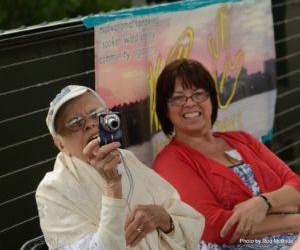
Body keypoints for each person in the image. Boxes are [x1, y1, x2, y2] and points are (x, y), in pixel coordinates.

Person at [152, 58, 300, 250]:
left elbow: (295, 184)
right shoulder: (170, 160)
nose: (190, 104)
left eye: (198, 94)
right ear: (165, 109)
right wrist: (293, 220)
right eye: (178, 97)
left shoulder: (242, 139)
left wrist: (263, 203)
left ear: (212, 99)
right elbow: (214, 226)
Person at [36, 85, 205, 250]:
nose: (89, 124)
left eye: (95, 114)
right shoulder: (53, 190)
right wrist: (112, 187)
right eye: (75, 123)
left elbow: (189, 222)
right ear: (60, 144)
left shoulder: (125, 158)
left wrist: (165, 219)